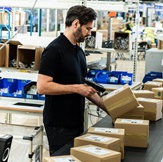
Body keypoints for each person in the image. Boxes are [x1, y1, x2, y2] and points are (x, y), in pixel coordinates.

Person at [37, 5, 107, 155]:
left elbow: (82, 85)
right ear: (76, 24)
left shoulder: (78, 51)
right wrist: (76, 88)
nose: (89, 33)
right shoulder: (54, 50)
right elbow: (42, 87)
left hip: (75, 122)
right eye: (87, 29)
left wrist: (109, 107)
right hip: (59, 125)